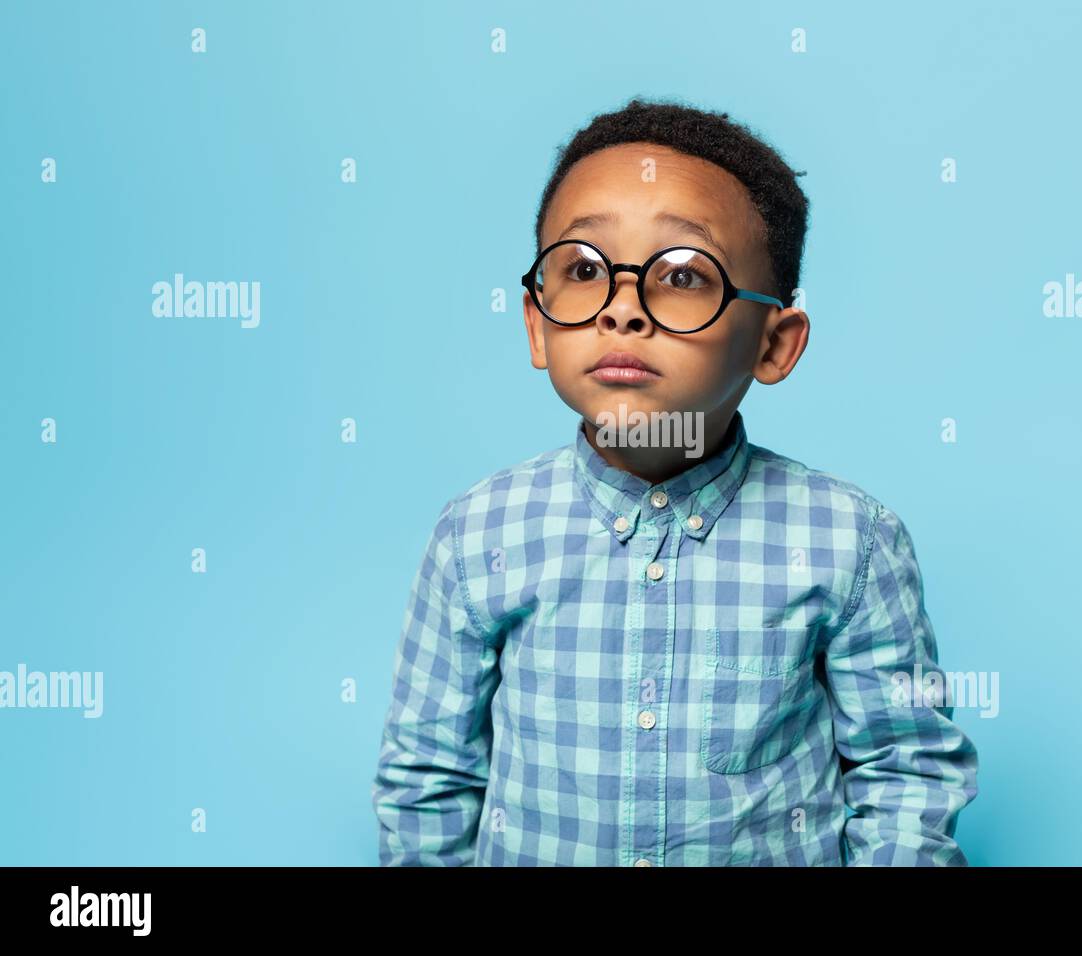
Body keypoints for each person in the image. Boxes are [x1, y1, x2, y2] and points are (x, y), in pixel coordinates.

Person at [371, 96, 979, 866]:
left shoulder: (850, 541)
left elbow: (908, 774)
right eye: (585, 269)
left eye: (684, 276)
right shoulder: (479, 533)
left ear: (775, 344)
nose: (623, 309)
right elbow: (427, 776)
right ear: (536, 322)